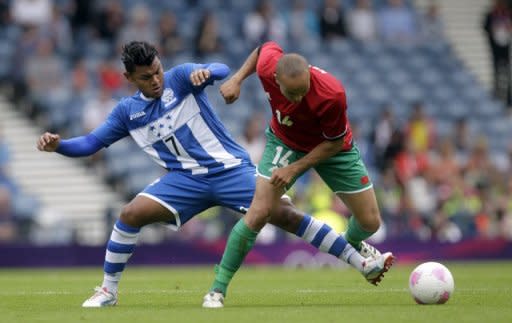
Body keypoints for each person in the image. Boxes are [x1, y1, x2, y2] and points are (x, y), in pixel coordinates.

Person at [36, 41, 389, 308]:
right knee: (129, 214)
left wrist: (209, 73)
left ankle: (360, 261)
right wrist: (60, 145)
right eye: (146, 77)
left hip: (229, 169)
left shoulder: (179, 78)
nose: (156, 79)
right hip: (184, 180)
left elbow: (219, 69)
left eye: (157, 70)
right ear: (130, 78)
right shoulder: (126, 113)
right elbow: (90, 144)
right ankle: (108, 290)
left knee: (285, 215)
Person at [203, 41, 395, 308]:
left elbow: (335, 143)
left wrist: (294, 169)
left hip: (333, 149)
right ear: (275, 79)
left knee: (371, 222)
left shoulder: (332, 94)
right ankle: (217, 290)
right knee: (259, 212)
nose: (298, 99)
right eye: (292, 93)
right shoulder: (268, 66)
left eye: (303, 91)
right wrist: (236, 79)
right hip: (284, 142)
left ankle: (351, 245)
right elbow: (261, 50)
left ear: (309, 76)